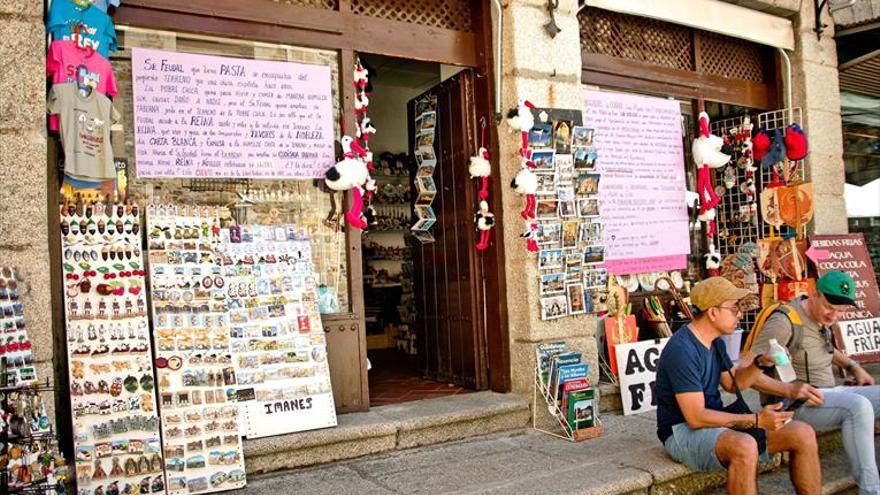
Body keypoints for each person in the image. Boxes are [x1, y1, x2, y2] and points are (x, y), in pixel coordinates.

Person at [656, 277, 824, 495]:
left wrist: (761, 363)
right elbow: (695, 417)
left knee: (802, 432)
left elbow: (733, 384)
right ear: (713, 313)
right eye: (734, 308)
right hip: (681, 432)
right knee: (743, 446)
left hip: (712, 421)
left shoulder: (714, 340)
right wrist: (755, 420)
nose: (740, 314)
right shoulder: (682, 350)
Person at [751, 271, 880, 495]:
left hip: (829, 394)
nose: (834, 316)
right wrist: (789, 389)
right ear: (814, 294)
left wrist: (853, 366)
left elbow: (824, 346)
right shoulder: (784, 321)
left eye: (841, 311)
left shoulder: (821, 318)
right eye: (830, 307)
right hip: (796, 405)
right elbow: (746, 372)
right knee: (858, 407)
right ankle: (871, 491)